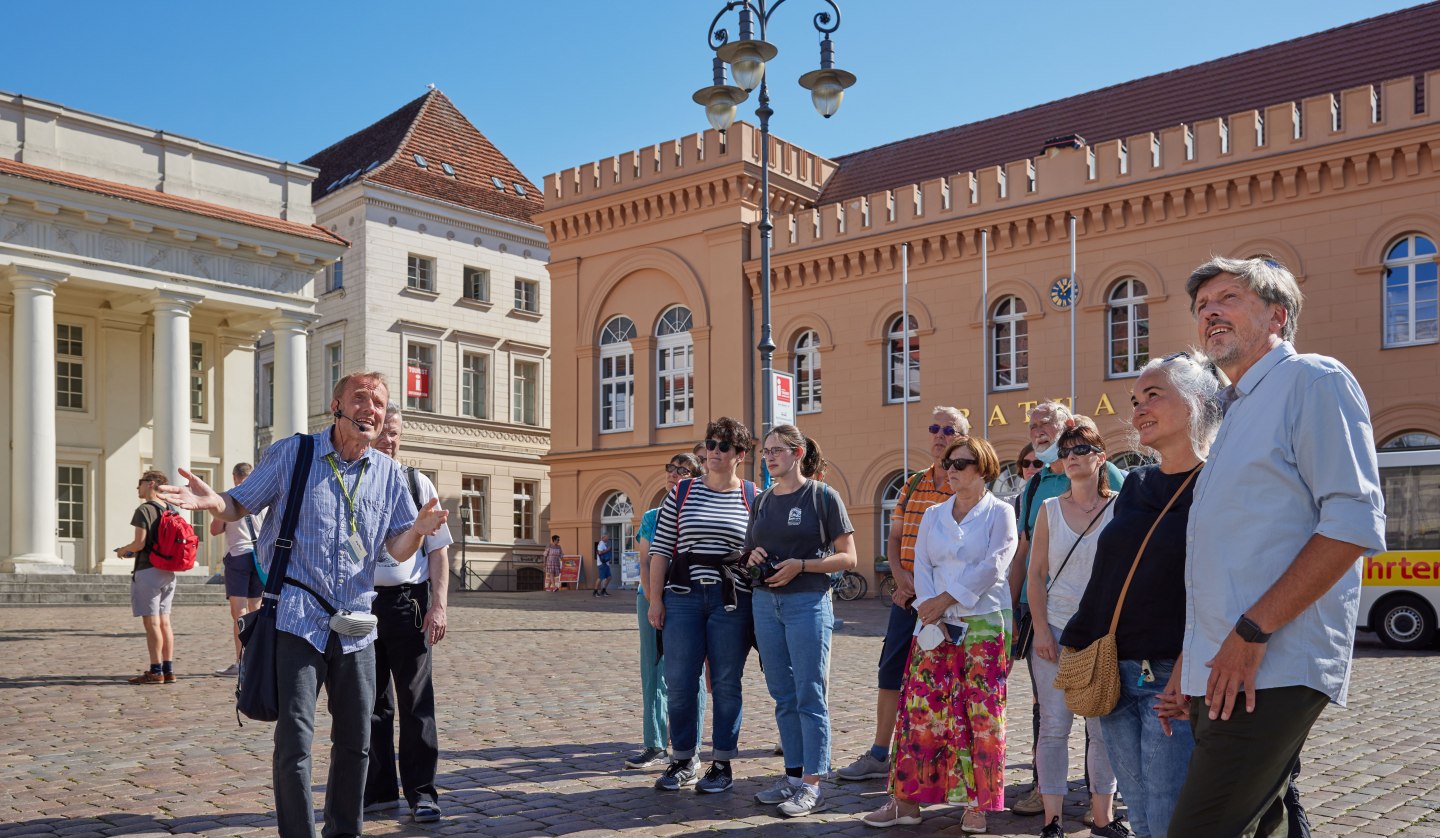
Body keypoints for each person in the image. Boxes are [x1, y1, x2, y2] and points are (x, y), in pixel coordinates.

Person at [159, 371, 447, 838]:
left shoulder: (390, 474)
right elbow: (240, 504)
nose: (369, 409)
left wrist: (418, 530)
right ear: (336, 405)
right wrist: (215, 502)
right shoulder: (294, 454)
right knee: (294, 740)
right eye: (360, 398)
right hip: (297, 615)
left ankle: (343, 831)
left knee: (356, 743)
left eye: (378, 402)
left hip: (357, 622)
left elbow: (395, 550)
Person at [1158, 257, 1385, 837]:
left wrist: (1250, 633)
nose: (1210, 311)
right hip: (1225, 662)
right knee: (1266, 825)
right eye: (1202, 304)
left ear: (1277, 316)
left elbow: (1352, 521)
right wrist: (1192, 660)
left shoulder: (1313, 380)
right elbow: (1228, 555)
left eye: (1228, 297)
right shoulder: (1235, 410)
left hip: (1271, 661)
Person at [1061, 353, 1221, 838]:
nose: (1137, 411)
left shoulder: (1218, 483)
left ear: (1196, 403)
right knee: (1140, 813)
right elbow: (1109, 572)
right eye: (1135, 401)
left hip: (1172, 676)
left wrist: (1192, 667)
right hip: (1115, 670)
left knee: (1171, 815)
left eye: (1153, 395)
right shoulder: (1136, 484)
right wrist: (1079, 640)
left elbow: (1219, 585)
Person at [862, 436, 1017, 833]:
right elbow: (924, 563)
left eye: (961, 463)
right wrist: (930, 606)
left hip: (983, 622)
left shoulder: (1001, 512)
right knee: (921, 710)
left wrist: (947, 599)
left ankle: (976, 805)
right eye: (949, 462)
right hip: (932, 622)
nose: (951, 468)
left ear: (982, 469)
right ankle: (906, 802)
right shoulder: (933, 513)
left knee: (980, 714)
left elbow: (994, 566)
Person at [837, 406, 967, 783]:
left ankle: (938, 756)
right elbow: (894, 540)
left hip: (945, 602)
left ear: (964, 437)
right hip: (907, 599)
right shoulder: (911, 484)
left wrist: (931, 592)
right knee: (891, 671)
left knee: (942, 677)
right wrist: (897, 577)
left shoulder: (966, 485)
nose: (940, 435)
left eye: (950, 429)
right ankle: (880, 752)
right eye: (935, 428)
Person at [1008, 402, 1126, 819]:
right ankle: (1052, 820)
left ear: (1100, 458)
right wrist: (1038, 629)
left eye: (1082, 450)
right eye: (1067, 452)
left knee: (1101, 729)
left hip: (1102, 632)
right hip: (1055, 628)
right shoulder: (1048, 508)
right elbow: (1035, 574)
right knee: (1055, 727)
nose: (1072, 457)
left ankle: (1102, 817)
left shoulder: (1120, 507)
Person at [747, 425, 857, 817]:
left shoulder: (822, 496)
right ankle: (792, 778)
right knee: (782, 694)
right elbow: (748, 552)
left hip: (808, 602)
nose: (770, 457)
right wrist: (754, 556)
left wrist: (803, 565)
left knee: (810, 694)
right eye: (766, 452)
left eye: (777, 450)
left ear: (798, 453)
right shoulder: (761, 501)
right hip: (765, 604)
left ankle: (813, 784)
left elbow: (848, 557)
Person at [646, 417, 758, 794]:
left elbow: (762, 549)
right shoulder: (681, 493)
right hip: (683, 597)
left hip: (731, 600)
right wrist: (655, 599)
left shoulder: (752, 497)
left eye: (723, 446)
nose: (713, 452)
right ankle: (683, 758)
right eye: (710, 444)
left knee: (726, 682)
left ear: (739, 454)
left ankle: (722, 762)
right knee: (678, 681)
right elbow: (661, 550)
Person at [363, 403, 454, 823]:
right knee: (371, 704)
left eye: (396, 433)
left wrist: (438, 605)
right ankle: (379, 791)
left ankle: (422, 792)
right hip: (360, 604)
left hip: (408, 603)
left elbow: (439, 553)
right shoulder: (353, 480)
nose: (390, 440)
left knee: (416, 701)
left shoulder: (417, 483)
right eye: (383, 431)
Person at [626, 453, 706, 771]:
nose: (673, 474)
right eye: (670, 469)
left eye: (682, 470)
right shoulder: (653, 516)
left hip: (689, 599)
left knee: (690, 674)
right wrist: (652, 599)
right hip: (652, 598)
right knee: (653, 670)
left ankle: (691, 744)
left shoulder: (700, 514)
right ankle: (655, 743)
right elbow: (645, 561)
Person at [115, 470, 177, 685]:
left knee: (152, 624)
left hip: (148, 571)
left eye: (139, 483)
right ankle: (168, 670)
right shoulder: (170, 509)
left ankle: (155, 671)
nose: (137, 488)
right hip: (168, 572)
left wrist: (123, 550)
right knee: (165, 623)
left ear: (151, 484)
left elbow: (139, 544)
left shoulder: (144, 510)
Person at [214, 463, 268, 677]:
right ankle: (257, 661)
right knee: (256, 610)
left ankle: (241, 662)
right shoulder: (262, 498)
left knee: (239, 613)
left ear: (234, 476)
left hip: (238, 557)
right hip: (260, 558)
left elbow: (215, 530)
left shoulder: (230, 497)